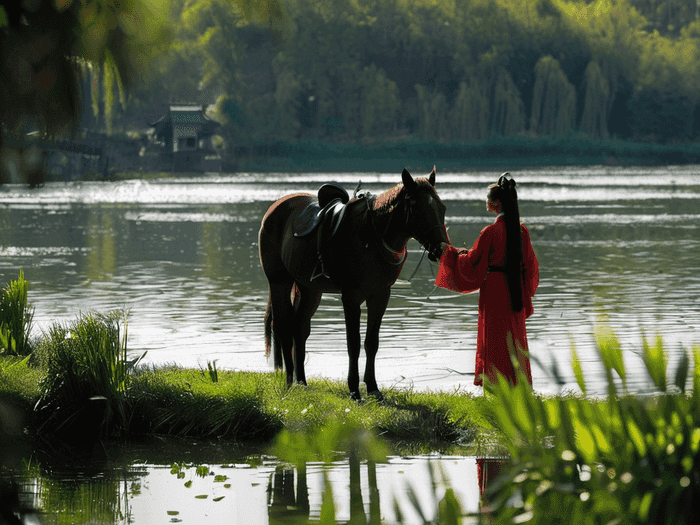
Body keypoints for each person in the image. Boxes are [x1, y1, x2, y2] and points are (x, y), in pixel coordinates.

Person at [432, 173, 539, 387]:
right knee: (514, 337)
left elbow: (472, 263)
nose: (486, 203)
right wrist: (525, 292)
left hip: (495, 290)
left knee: (495, 339)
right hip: (515, 290)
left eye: (487, 200)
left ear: (495, 204)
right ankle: (518, 385)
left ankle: (495, 386)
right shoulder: (522, 231)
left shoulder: (490, 232)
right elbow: (532, 268)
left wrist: (449, 254)